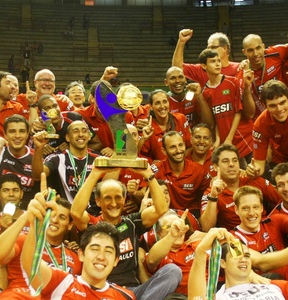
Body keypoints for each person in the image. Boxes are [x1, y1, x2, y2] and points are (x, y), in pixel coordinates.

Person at [71, 165, 181, 300]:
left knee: (173, 271)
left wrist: (148, 174)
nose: (113, 203)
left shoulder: (131, 223)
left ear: (124, 199)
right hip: (103, 291)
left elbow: (161, 208)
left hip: (132, 292)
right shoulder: (93, 225)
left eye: (118, 197)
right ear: (98, 201)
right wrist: (95, 174)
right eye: (107, 198)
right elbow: (76, 212)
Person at [200, 143, 281, 231]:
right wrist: (213, 197)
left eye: (235, 160)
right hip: (236, 240)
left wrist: (273, 221)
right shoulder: (211, 193)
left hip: (266, 232)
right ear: (215, 167)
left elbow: (284, 200)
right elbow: (206, 228)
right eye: (225, 161)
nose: (231, 164)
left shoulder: (253, 179)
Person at [199, 49, 255, 159]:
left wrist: (229, 139)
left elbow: (238, 112)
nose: (217, 64)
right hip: (227, 144)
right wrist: (218, 139)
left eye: (218, 61)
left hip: (244, 140)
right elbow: (217, 119)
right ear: (204, 66)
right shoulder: (205, 92)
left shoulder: (232, 82)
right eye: (213, 61)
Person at [151, 131, 211, 216]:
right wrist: (134, 193)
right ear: (164, 151)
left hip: (190, 217)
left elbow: (208, 196)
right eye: (173, 147)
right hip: (163, 215)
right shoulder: (156, 170)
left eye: (180, 145)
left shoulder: (199, 170)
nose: (178, 150)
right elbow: (145, 195)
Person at [139, 89, 191, 163]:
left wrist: (177, 160)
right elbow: (139, 154)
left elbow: (190, 146)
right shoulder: (147, 127)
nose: (162, 106)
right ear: (150, 107)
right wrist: (151, 162)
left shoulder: (180, 119)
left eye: (165, 102)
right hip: (159, 171)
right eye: (157, 103)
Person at [172, 29, 239, 85]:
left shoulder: (239, 68)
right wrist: (181, 42)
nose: (210, 51)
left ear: (224, 48)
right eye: (208, 48)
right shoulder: (203, 68)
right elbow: (177, 68)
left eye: (213, 47)